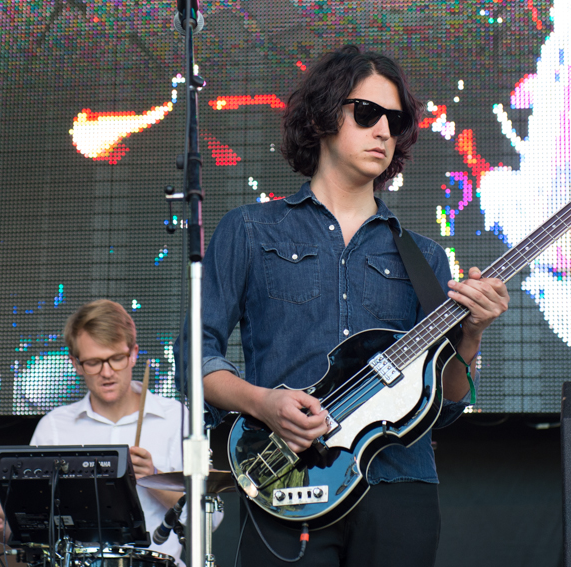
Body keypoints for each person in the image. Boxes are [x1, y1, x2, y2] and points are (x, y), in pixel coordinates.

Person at [180, 45, 509, 565]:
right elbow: (194, 357)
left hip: (399, 487)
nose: (383, 131)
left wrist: (472, 333)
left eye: (395, 121)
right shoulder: (250, 230)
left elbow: (445, 406)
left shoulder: (424, 257)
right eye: (367, 113)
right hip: (288, 482)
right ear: (322, 116)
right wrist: (263, 404)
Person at [0, 299, 217, 565]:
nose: (107, 372)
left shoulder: (178, 419)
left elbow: (212, 519)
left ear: (133, 354)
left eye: (116, 359)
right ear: (76, 363)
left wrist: (155, 479)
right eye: (93, 362)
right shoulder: (54, 427)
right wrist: (3, 526)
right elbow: (35, 532)